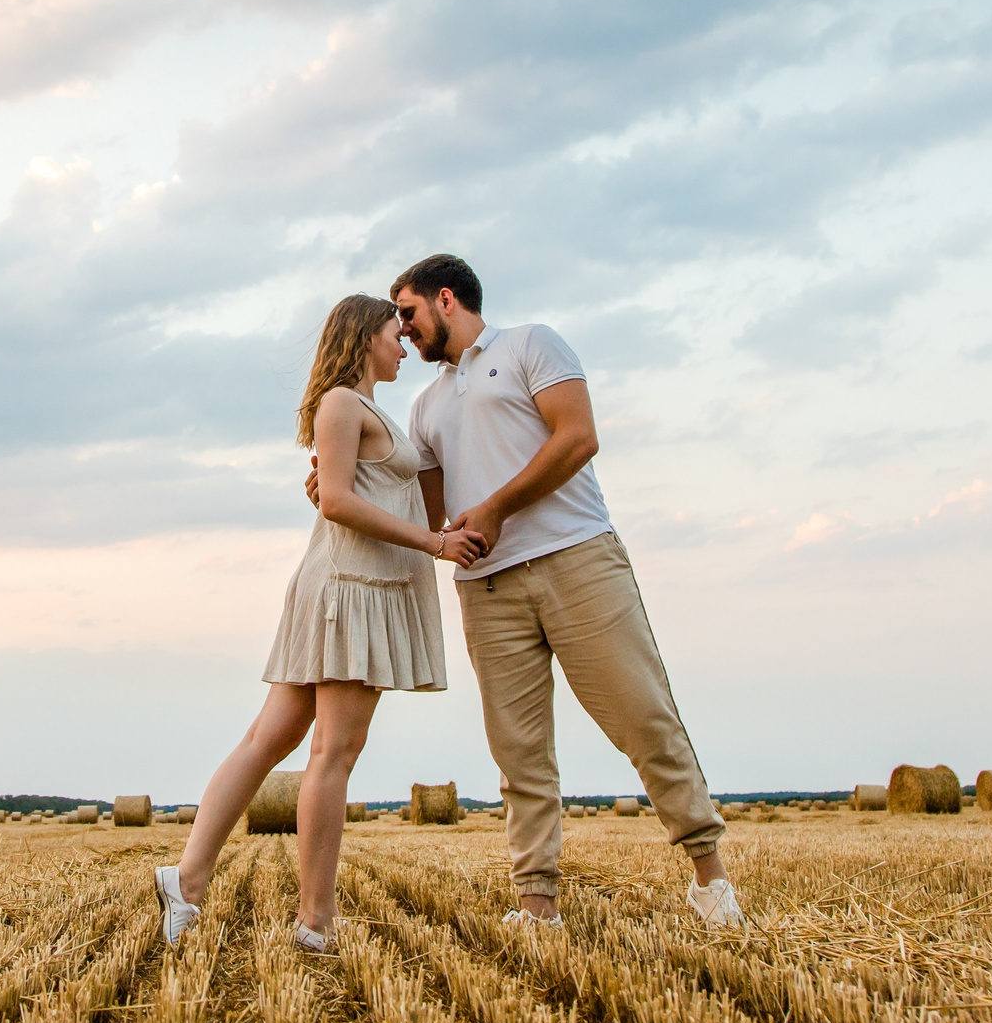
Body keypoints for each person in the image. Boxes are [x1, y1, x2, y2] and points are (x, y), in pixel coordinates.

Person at [374, 253, 741, 929]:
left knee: (644, 714)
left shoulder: (530, 344)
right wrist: (337, 486)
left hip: (576, 558)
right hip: (486, 588)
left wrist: (498, 507)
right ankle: (537, 904)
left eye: (407, 312)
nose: (401, 329)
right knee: (518, 751)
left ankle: (710, 880)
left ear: (445, 298)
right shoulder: (424, 409)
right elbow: (432, 518)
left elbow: (579, 437)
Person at [154, 294, 487, 950]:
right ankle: (314, 921)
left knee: (268, 740)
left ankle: (186, 879)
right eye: (396, 332)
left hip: (350, 584)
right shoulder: (342, 402)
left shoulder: (364, 409)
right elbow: (334, 499)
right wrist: (433, 545)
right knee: (332, 752)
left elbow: (357, 490)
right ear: (366, 335)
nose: (403, 344)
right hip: (347, 589)